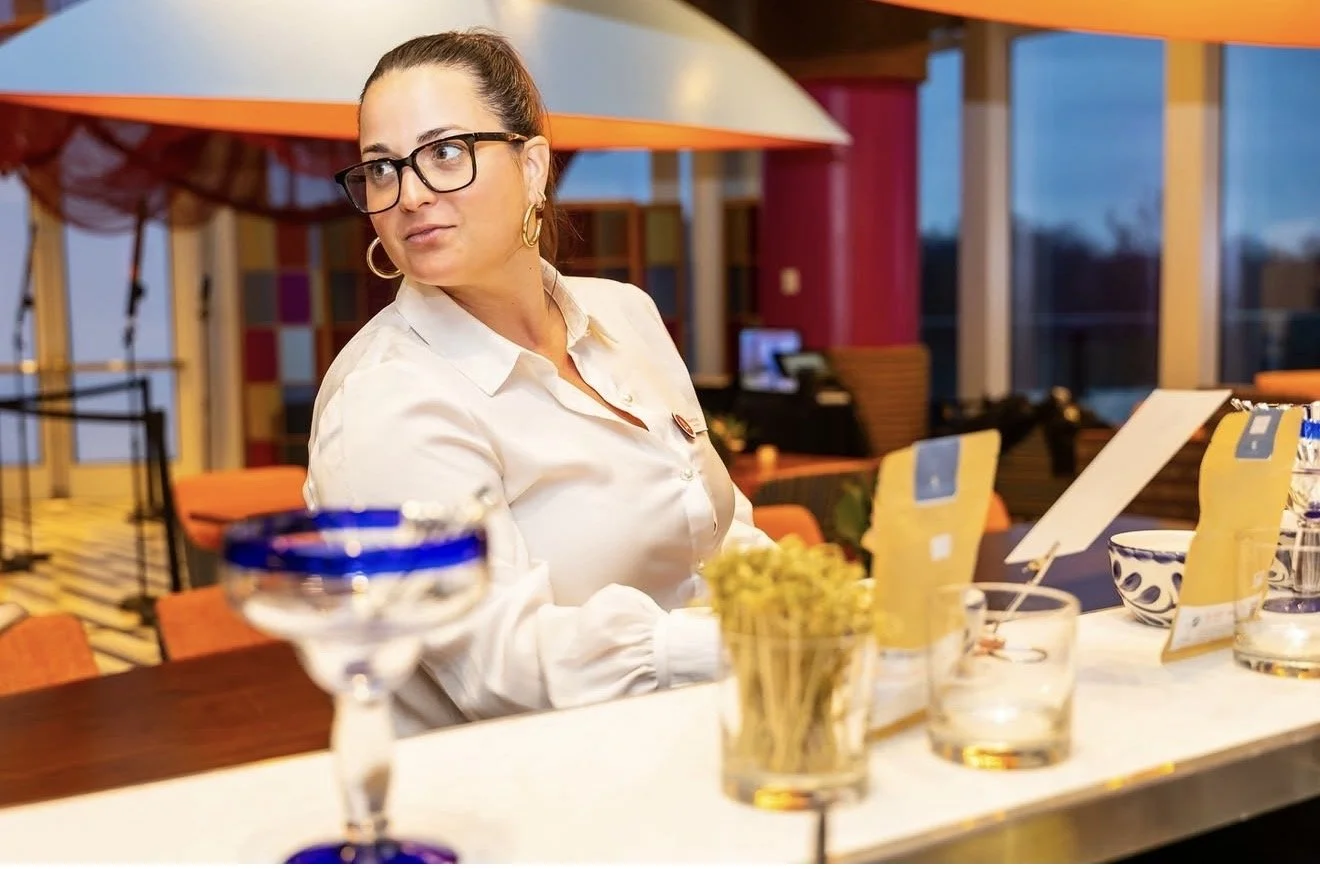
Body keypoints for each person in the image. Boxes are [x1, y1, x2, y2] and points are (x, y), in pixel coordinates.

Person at [304, 29, 774, 735]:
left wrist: (815, 609)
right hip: (516, 802)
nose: (408, 194)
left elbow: (720, 530)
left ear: (532, 167)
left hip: (702, 735)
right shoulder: (386, 396)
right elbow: (499, 663)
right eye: (381, 168)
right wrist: (729, 647)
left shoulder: (626, 313)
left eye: (445, 153)